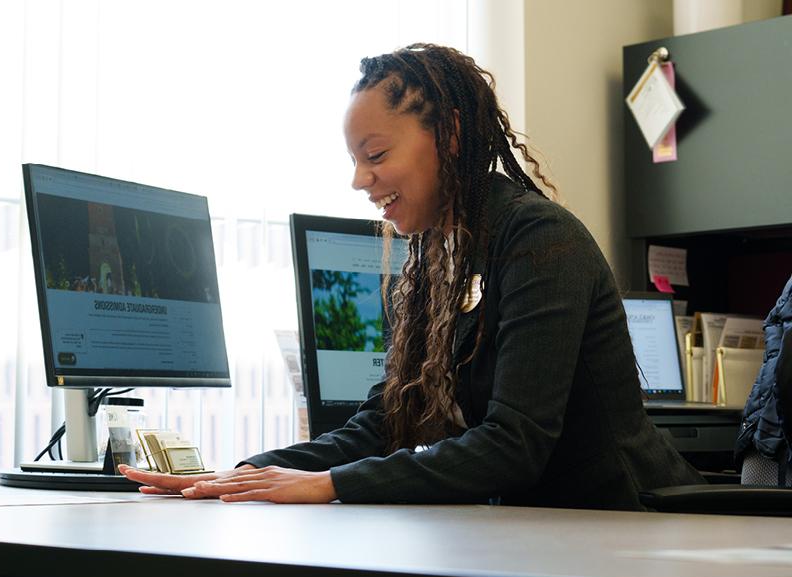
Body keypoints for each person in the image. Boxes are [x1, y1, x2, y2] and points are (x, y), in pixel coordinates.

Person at [121, 44, 704, 510]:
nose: (359, 180)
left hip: (628, 524)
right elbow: (385, 419)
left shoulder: (537, 240)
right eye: (354, 161)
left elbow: (514, 443)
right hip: (543, 531)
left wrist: (332, 485)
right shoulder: (435, 258)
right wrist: (248, 472)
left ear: (447, 135)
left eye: (374, 156)